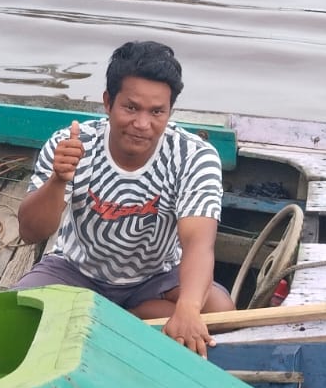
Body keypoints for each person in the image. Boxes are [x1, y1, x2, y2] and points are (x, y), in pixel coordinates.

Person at [12, 41, 233, 356]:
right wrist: (58, 180)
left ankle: (105, 320)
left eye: (157, 112)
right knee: (16, 316)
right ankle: (119, 322)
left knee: (220, 312)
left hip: (156, 276)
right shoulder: (70, 143)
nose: (142, 124)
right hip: (76, 270)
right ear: (108, 102)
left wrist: (188, 307)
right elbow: (30, 232)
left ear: (170, 111)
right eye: (131, 108)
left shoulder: (194, 155)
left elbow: (199, 242)